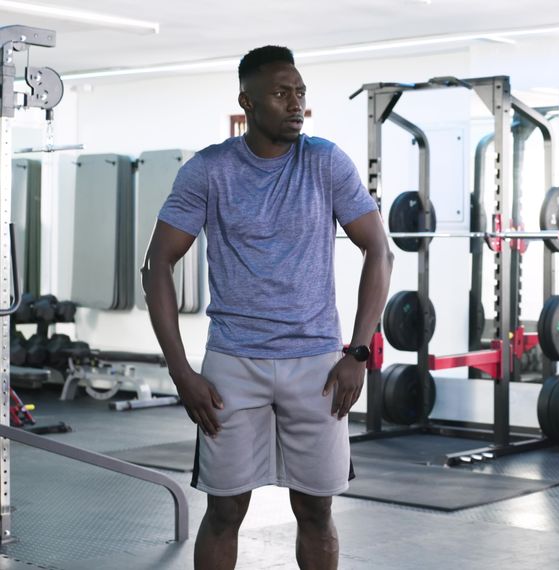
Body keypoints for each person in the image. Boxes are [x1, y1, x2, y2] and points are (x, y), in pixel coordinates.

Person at [143, 45, 393, 570]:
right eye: (281, 93)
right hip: (234, 364)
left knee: (316, 510)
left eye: (300, 92)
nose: (296, 103)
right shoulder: (209, 171)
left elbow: (378, 249)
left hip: (318, 365)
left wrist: (360, 351)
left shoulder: (325, 162)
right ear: (248, 102)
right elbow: (156, 266)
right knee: (225, 509)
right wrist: (180, 371)